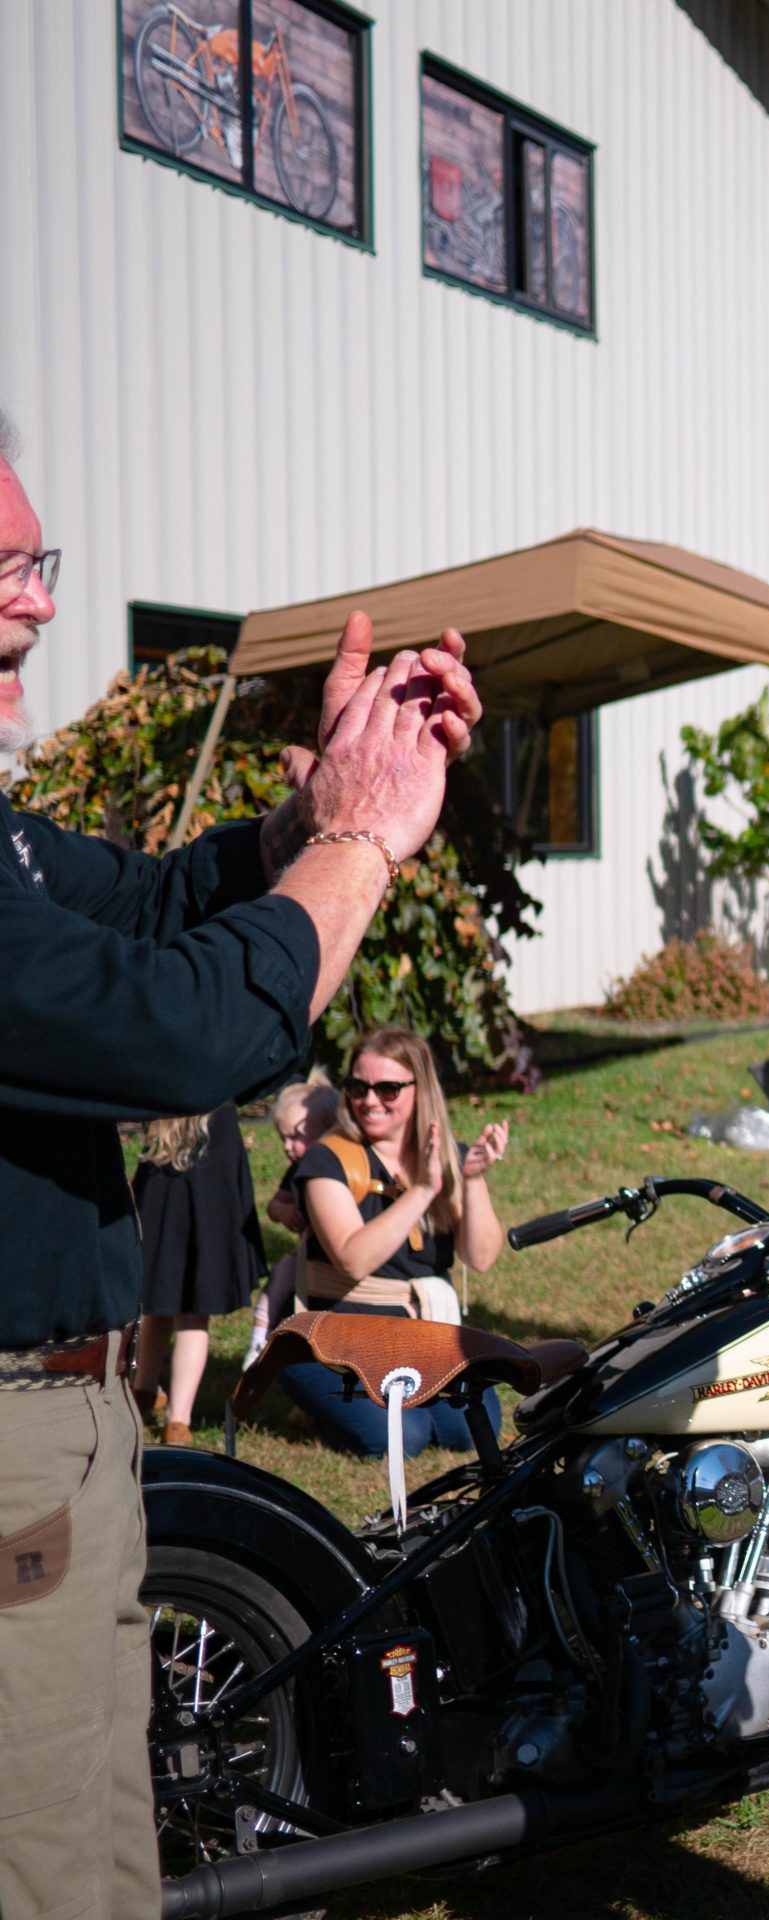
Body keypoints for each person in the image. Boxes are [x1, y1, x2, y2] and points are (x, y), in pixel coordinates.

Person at [0, 408, 479, 1920]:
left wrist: (308, 806)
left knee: (97, 1839)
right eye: (4, 569)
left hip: (64, 1433)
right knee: (53, 1878)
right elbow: (180, 1029)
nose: (44, 602)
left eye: (38, 562)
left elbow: (149, 909)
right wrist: (359, 843)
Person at [277, 1028, 509, 1455]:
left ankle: (380, 1406)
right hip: (336, 1338)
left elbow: (479, 1257)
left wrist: (471, 1180)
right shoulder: (327, 1159)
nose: (369, 1100)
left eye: (387, 1089)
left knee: (470, 1431)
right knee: (403, 1437)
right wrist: (422, 1191)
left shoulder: (442, 1154)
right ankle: (319, 1406)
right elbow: (352, 1259)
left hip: (423, 1333)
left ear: (420, 1090)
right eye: (358, 1087)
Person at [130, 1105, 268, 1448]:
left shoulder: (161, 1090)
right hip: (210, 1194)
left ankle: (144, 1388)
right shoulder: (216, 1093)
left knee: (158, 1299)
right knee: (193, 1314)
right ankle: (178, 1419)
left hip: (162, 1189)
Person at [246, 1076, 340, 1366]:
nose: (288, 1147)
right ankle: (259, 1338)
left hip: (333, 1259)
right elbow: (275, 1205)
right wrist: (285, 1212)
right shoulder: (297, 1169)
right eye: (283, 1138)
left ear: (327, 1129)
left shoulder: (337, 1165)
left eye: (295, 1137)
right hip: (304, 1254)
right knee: (279, 1279)